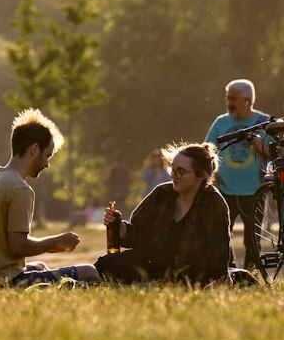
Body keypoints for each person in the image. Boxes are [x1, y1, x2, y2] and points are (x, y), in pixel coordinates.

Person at [0, 109, 93, 286]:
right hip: (3, 284)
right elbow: (18, 246)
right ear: (34, 149)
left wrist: (49, 245)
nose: (47, 164)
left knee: (39, 266)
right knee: (89, 272)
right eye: (47, 155)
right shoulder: (20, 189)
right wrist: (54, 241)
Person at [97, 143, 237, 285]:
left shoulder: (213, 203)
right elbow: (140, 237)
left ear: (200, 176)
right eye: (172, 169)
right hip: (151, 264)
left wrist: (216, 283)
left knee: (137, 281)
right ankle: (75, 281)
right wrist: (121, 227)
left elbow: (218, 258)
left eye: (181, 171)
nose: (174, 176)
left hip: (188, 275)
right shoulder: (162, 193)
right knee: (105, 264)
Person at [204, 78, 272, 270]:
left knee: (252, 239)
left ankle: (250, 274)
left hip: (254, 190)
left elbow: (272, 151)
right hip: (224, 188)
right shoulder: (221, 121)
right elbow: (207, 149)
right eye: (227, 98)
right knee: (221, 235)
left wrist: (257, 142)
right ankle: (228, 271)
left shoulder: (263, 121)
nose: (229, 103)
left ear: (247, 101)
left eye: (233, 98)